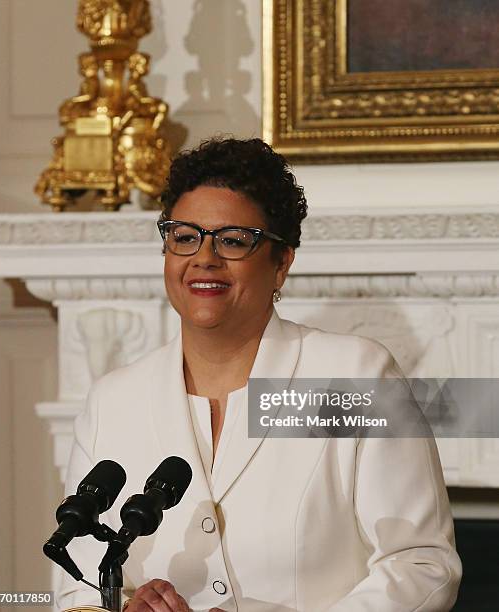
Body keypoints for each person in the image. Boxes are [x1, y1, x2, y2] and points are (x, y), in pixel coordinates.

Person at [57, 138, 461, 612]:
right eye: (184, 236)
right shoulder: (113, 401)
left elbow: (420, 565)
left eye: (232, 240)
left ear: (281, 262)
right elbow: (75, 585)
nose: (204, 258)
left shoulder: (353, 377)